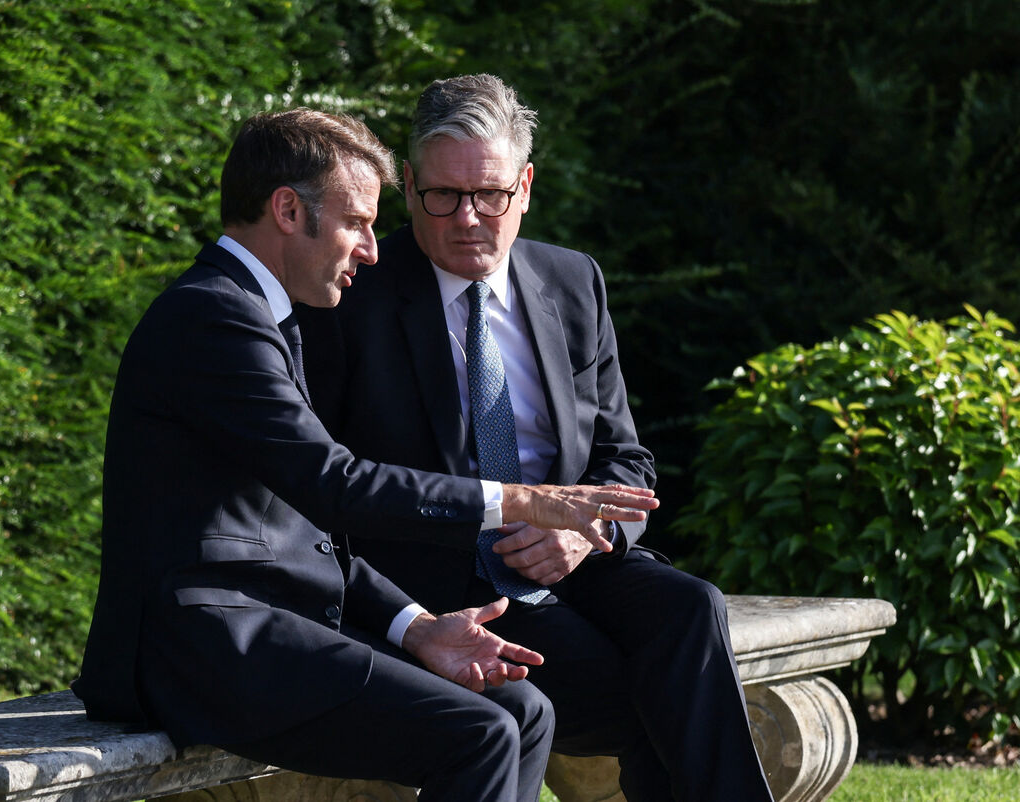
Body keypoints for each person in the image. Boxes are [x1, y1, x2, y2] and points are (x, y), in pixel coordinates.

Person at [71, 107, 662, 802]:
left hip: (266, 626)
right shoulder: (213, 316)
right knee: (480, 731)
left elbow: (311, 532)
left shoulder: (263, 314)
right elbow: (334, 486)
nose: (373, 250)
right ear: (288, 210)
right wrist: (520, 500)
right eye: (357, 222)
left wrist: (419, 629)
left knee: (523, 710)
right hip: (199, 644)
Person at [298, 75, 775, 801]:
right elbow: (329, 484)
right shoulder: (352, 293)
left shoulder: (571, 280)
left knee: (691, 608)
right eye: (444, 195)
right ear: (410, 189)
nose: (468, 218)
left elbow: (625, 457)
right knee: (654, 692)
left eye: (489, 194)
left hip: (577, 559)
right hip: (448, 580)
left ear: (524, 186)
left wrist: (586, 532)